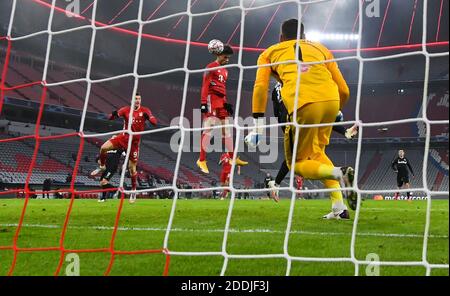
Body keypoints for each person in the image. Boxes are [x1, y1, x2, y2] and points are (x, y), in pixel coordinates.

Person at [250, 19, 356, 220]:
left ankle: (340, 174)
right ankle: (339, 208)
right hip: (332, 100)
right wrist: (337, 109)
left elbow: (260, 88)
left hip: (303, 107)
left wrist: (257, 126)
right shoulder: (322, 49)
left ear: (281, 38)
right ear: (306, 38)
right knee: (318, 155)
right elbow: (344, 89)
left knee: (297, 164)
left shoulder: (270, 53)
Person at [268, 82, 358, 199]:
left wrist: (284, 128)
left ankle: (340, 176)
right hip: (307, 117)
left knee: (295, 162)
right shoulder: (298, 78)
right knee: (319, 159)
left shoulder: (278, 86)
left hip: (292, 123)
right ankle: (339, 205)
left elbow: (277, 113)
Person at [90, 93, 158, 203]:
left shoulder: (145, 110)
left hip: (134, 144)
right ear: (132, 100)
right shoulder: (125, 110)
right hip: (123, 138)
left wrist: (151, 118)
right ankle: (102, 166)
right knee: (103, 148)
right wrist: (113, 114)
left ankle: (133, 192)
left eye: (139, 99)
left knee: (132, 169)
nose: (137, 101)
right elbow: (111, 117)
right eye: (135, 99)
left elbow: (154, 122)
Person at [196, 40, 248, 174]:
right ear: (219, 55)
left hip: (220, 102)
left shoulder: (225, 72)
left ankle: (232, 157)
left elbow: (222, 88)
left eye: (228, 58)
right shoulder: (210, 67)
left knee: (227, 131)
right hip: (211, 100)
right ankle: (201, 160)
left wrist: (225, 103)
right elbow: (205, 85)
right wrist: (203, 103)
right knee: (209, 129)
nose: (227, 60)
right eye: (225, 57)